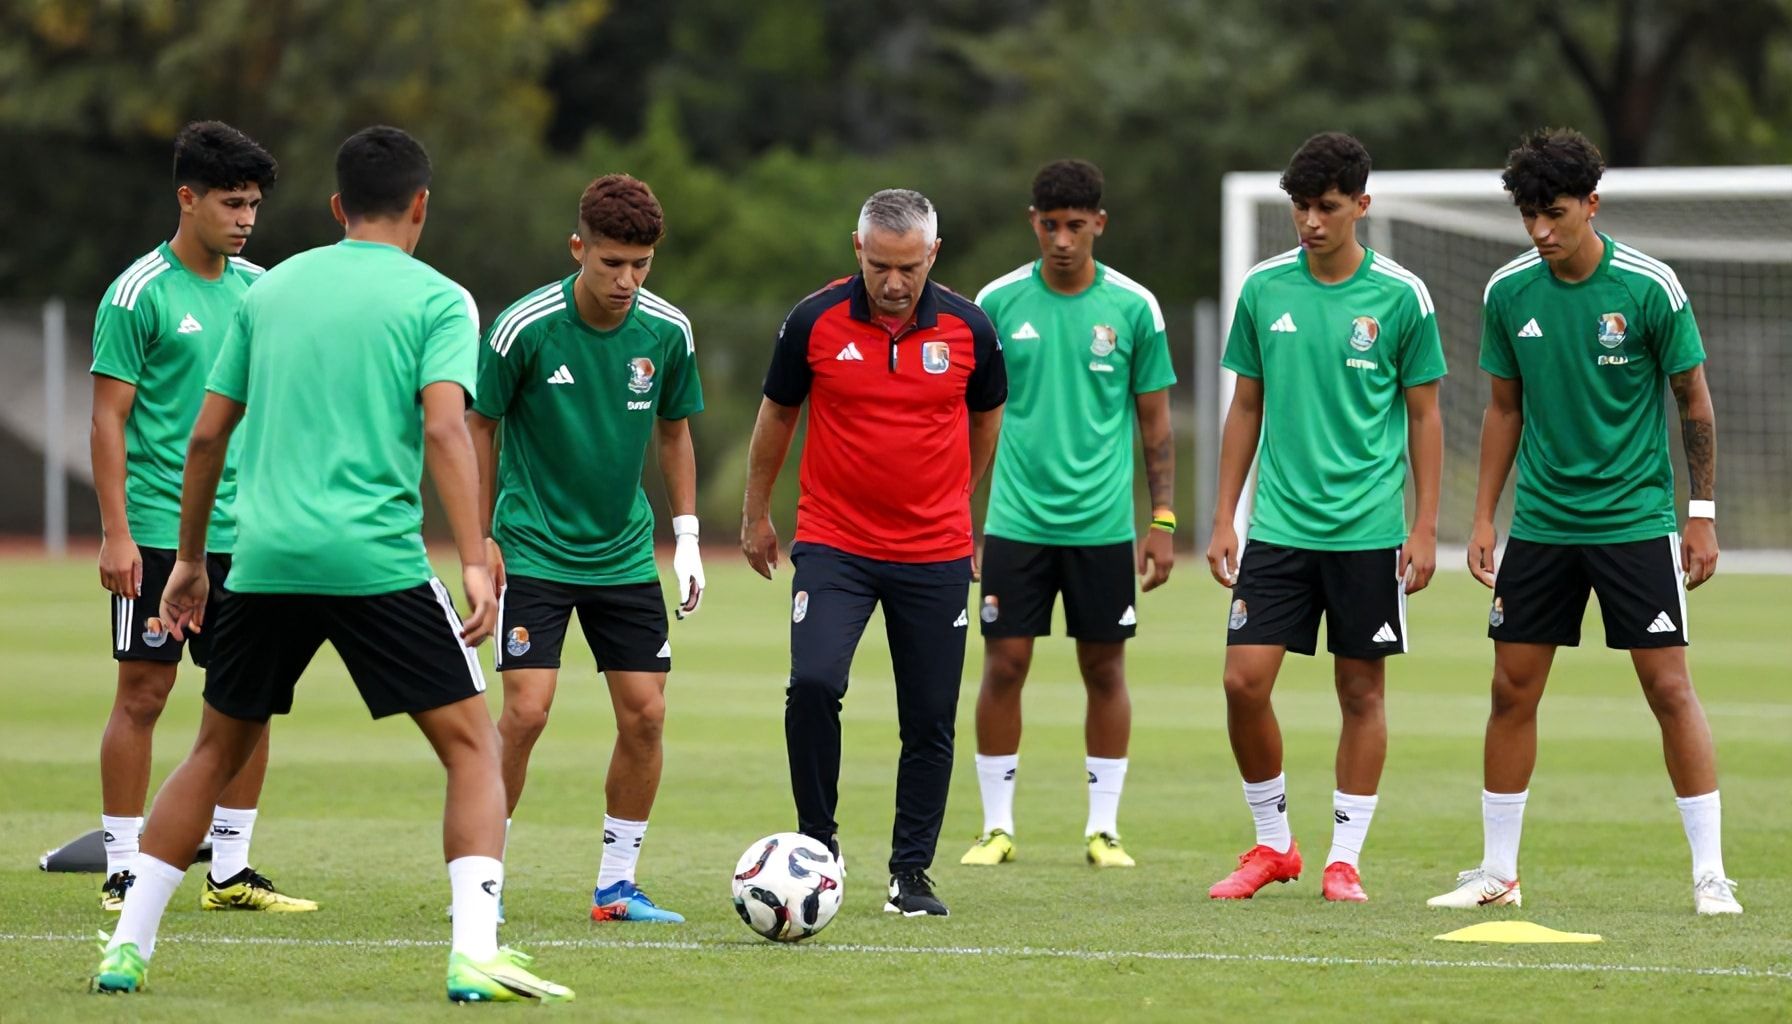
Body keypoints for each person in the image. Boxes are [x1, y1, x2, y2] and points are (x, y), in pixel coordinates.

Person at [90, 126, 572, 1003]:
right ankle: (475, 951)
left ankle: (127, 947)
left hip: (263, 558)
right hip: (375, 562)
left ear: (337, 208)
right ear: (421, 205)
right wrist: (473, 558)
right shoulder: (441, 299)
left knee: (208, 749)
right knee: (472, 749)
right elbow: (442, 427)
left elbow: (205, 435)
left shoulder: (268, 294)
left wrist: (191, 559)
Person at [1428, 128, 1739, 916]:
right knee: (1510, 689)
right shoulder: (1508, 292)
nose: (1540, 231)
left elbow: (1693, 399)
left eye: (1555, 213)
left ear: (1591, 205)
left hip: (1635, 521)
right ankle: (1498, 873)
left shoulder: (1649, 287)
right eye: (1529, 214)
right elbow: (1503, 409)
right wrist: (1482, 519)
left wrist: (1698, 515)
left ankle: (1710, 875)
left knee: (1668, 689)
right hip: (1541, 524)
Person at [741, 188, 1006, 918]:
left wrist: (956, 499)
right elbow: (776, 416)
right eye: (881, 265)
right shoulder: (812, 321)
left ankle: (910, 873)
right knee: (816, 684)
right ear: (857, 250)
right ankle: (818, 848)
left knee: (928, 717)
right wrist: (757, 511)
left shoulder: (971, 330)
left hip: (934, 552)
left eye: (909, 268)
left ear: (933, 257)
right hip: (834, 543)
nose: (894, 283)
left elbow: (987, 420)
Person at [1205, 132, 1445, 902]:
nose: (1310, 221)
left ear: (1361, 207)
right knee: (1244, 682)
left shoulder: (1402, 296)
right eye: (1300, 207)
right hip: (1277, 527)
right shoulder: (1264, 289)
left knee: (1361, 693)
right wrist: (1222, 518)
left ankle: (1345, 858)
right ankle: (1274, 844)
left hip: (1369, 531)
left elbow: (1426, 417)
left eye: (1327, 207)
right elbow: (1246, 405)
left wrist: (1424, 524)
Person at [88, 120, 315, 915]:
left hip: (249, 535)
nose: (247, 218)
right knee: (143, 693)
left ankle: (231, 871)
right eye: (231, 202)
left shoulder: (262, 289)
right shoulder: (138, 292)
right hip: (156, 529)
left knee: (247, 697)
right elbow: (108, 418)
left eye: (253, 204)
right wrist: (116, 533)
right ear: (187, 199)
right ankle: (122, 864)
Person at [469, 173, 703, 924]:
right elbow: (480, 426)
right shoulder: (523, 328)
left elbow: (674, 430)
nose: (627, 280)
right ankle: (481, 881)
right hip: (534, 546)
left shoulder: (667, 331)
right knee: (528, 712)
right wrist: (480, 537)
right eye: (611, 263)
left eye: (640, 264)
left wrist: (689, 536)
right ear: (579, 249)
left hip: (626, 553)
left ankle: (617, 886)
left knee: (646, 716)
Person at [961, 159, 1176, 870]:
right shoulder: (996, 303)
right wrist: (960, 513)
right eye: (1049, 225)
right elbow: (968, 419)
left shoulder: (1134, 308)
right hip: (1016, 522)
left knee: (1105, 670)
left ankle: (1104, 830)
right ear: (1033, 222)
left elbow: (1156, 426)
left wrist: (1164, 519)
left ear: (1099, 226)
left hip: (1103, 526)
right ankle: (996, 828)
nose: (1061, 239)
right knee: (1005, 665)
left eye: (1075, 226)